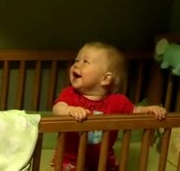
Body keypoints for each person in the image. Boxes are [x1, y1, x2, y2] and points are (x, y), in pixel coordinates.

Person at [51, 41, 167, 171]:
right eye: (77, 60)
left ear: (105, 79)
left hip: (103, 161)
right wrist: (69, 110)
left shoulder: (118, 101)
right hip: (70, 159)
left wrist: (149, 109)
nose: (77, 64)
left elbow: (135, 111)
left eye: (85, 62)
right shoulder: (70, 94)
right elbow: (57, 108)